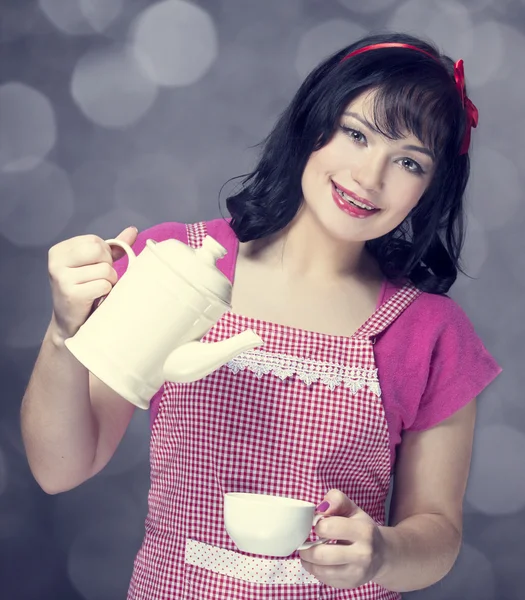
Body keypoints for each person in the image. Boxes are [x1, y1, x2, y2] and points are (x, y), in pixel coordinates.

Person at [21, 32, 501, 599]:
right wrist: (63, 335)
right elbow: (61, 468)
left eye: (408, 162)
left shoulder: (429, 331)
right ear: (312, 123)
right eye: (356, 134)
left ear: (431, 189)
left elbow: (438, 534)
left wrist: (383, 555)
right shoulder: (177, 265)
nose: (371, 178)